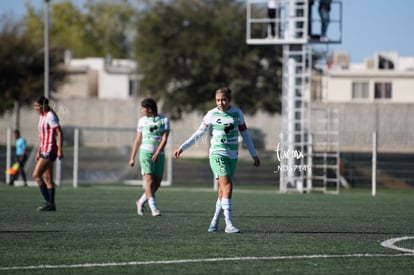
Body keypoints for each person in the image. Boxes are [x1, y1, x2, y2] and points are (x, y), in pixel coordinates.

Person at [173, 87, 260, 233]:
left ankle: (214, 222)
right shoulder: (211, 114)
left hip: (232, 155)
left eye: (223, 99)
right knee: (228, 186)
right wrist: (182, 147)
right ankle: (229, 224)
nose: (220, 102)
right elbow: (198, 133)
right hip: (217, 154)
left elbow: (245, 135)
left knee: (222, 190)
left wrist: (253, 154)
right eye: (218, 100)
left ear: (229, 100)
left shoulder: (237, 114)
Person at [129, 98, 170, 217]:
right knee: (149, 181)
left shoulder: (164, 120)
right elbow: (138, 140)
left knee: (157, 183)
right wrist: (132, 157)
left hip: (160, 154)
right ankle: (154, 207)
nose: (142, 111)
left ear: (150, 109)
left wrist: (157, 152)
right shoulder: (142, 121)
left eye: (143, 108)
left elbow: (164, 138)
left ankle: (141, 201)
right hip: (145, 153)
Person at [33, 96, 64, 211]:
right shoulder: (42, 116)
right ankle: (51, 204)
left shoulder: (50, 116)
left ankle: (48, 202)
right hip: (44, 150)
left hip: (50, 150)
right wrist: (38, 151)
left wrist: (60, 149)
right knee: (48, 178)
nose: (35, 108)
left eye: (37, 106)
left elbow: (59, 133)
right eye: (34, 106)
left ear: (43, 105)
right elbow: (42, 137)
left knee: (36, 175)